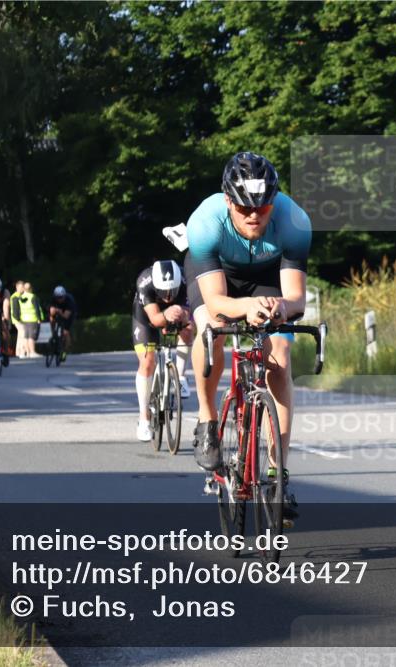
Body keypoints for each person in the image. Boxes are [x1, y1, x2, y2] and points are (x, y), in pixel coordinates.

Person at [185, 152, 311, 514]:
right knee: (212, 330)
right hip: (217, 274)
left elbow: (296, 297)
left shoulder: (293, 221)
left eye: (263, 207)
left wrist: (281, 307)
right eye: (244, 208)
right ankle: (207, 418)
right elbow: (215, 302)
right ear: (228, 201)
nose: (254, 215)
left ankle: (278, 475)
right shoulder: (206, 222)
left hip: (266, 275)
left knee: (281, 358)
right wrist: (245, 308)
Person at [133, 259, 194, 442]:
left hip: (175, 309)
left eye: (172, 292)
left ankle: (181, 376)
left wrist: (181, 315)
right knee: (148, 361)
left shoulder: (185, 279)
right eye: (164, 293)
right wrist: (166, 315)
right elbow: (156, 319)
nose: (167, 296)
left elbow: (188, 315)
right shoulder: (145, 281)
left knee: (188, 329)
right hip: (146, 314)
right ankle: (144, 418)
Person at [14, 282, 44, 358]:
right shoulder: (33, 297)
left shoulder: (20, 297)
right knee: (31, 337)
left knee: (26, 337)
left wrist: (18, 318)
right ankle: (32, 352)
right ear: (31, 289)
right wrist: (39, 318)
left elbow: (17, 309)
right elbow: (37, 309)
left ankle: (28, 352)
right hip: (32, 319)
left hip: (24, 319)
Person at [49, 285, 76, 362]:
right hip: (59, 310)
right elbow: (51, 312)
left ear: (64, 296)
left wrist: (59, 311)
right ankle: (53, 334)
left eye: (61, 297)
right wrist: (53, 313)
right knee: (51, 318)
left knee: (65, 333)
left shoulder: (69, 301)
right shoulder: (53, 299)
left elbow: (66, 316)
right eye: (57, 297)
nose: (59, 299)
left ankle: (64, 351)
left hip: (69, 314)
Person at [10, 280, 26, 358]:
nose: (23, 289)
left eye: (23, 287)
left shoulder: (20, 296)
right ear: (17, 287)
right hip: (17, 319)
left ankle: (18, 352)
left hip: (20, 319)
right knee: (22, 334)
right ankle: (21, 352)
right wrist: (18, 319)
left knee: (20, 335)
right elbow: (15, 309)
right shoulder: (15, 296)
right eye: (21, 287)